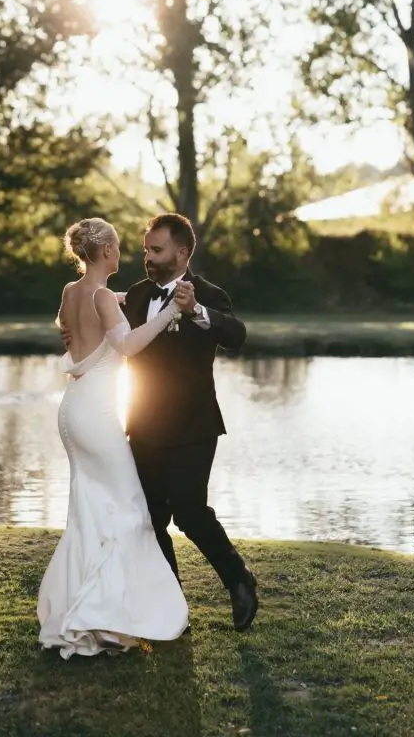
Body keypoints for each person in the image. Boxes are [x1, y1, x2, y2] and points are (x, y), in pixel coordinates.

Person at [37, 217, 188, 658]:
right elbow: (127, 345)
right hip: (97, 417)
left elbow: (79, 321)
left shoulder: (72, 292)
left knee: (91, 512)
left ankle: (92, 615)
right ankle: (108, 619)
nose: (123, 253)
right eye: (119, 246)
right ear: (105, 251)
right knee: (129, 510)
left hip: (71, 412)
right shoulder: (102, 297)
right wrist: (171, 313)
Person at [122, 213, 258, 632]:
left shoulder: (210, 295)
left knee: (190, 512)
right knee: (149, 518)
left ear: (181, 253)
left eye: (156, 250)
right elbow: (118, 342)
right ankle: (170, 604)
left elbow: (236, 335)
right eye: (146, 249)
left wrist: (194, 310)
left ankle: (239, 579)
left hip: (193, 426)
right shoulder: (138, 294)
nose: (148, 257)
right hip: (142, 422)